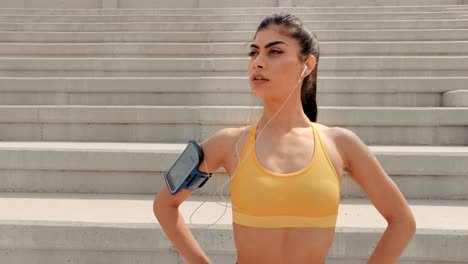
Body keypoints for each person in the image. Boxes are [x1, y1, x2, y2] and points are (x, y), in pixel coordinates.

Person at [153, 12, 416, 264]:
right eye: (254, 52)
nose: (257, 61)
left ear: (308, 64)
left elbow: (402, 221)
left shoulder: (340, 144)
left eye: (274, 51)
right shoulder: (228, 143)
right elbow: (165, 204)